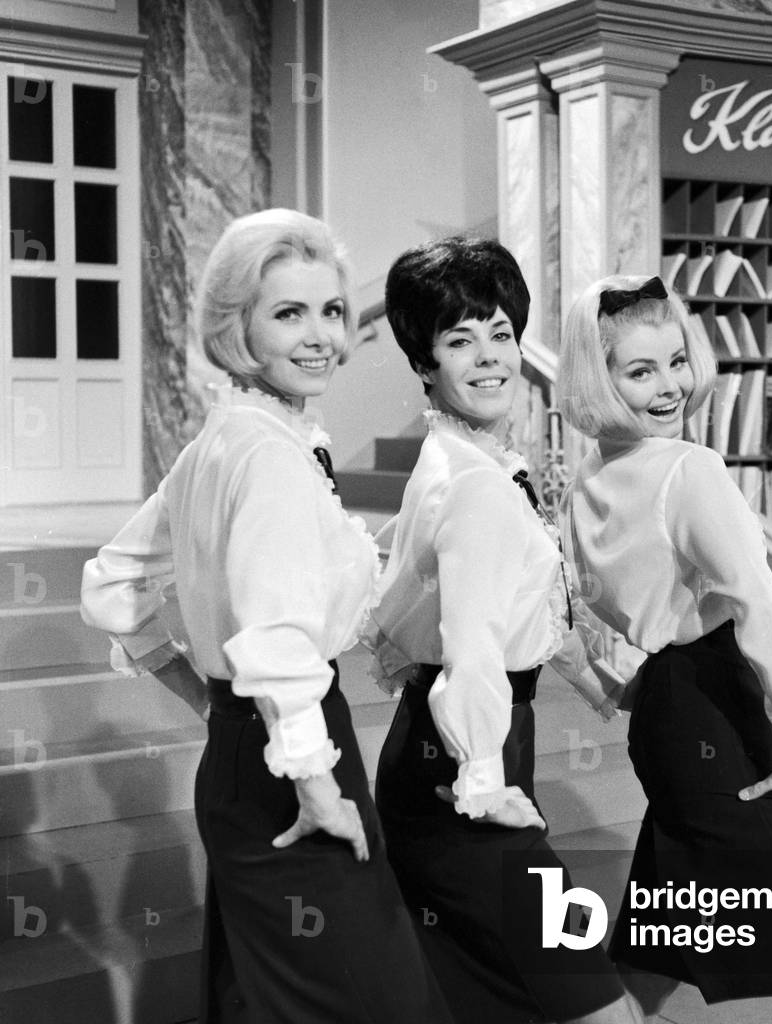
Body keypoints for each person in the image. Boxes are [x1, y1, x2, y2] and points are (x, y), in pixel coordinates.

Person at [80, 209, 454, 1024]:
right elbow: (276, 638)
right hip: (297, 760)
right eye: (288, 313)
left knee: (264, 998)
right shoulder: (265, 456)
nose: (320, 334)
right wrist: (317, 787)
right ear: (237, 327)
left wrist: (206, 698)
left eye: (330, 310)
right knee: (377, 1001)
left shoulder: (224, 440)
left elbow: (113, 587)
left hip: (246, 751)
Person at [557, 274, 772, 1024]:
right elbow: (759, 608)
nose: (672, 384)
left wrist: (626, 686)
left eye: (677, 361)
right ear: (598, 380)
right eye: (641, 370)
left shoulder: (584, 484)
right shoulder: (690, 468)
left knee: (648, 967)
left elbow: (587, 622)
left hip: (670, 721)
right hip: (723, 718)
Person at [365, 236, 642, 1024]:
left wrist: (602, 688)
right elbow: (475, 649)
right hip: (462, 775)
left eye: (501, 336)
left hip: (454, 758)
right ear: (425, 363)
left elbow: (521, 619)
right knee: (598, 1007)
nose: (490, 359)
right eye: (460, 341)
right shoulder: (474, 485)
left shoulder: (470, 459)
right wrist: (486, 786)